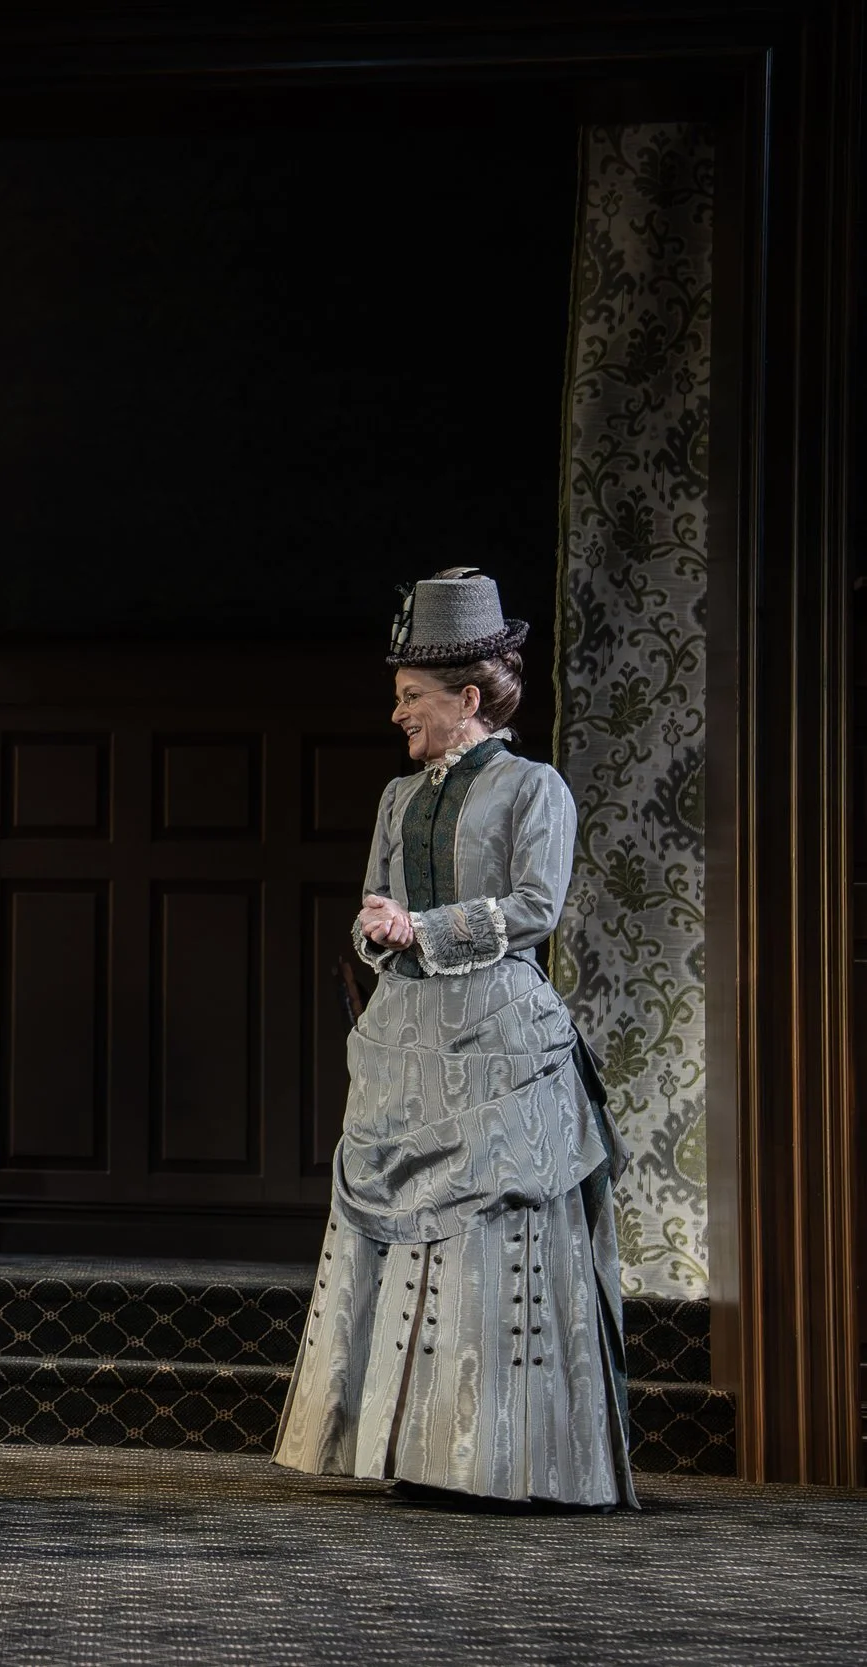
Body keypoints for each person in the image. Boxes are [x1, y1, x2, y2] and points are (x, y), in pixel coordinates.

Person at [272, 568, 634, 1510]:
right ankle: (409, 1447)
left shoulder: (533, 788)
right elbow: (375, 906)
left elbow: (535, 906)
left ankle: (496, 1456)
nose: (397, 713)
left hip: (497, 1034)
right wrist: (377, 927)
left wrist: (423, 927)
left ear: (467, 699)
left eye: (411, 696)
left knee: (486, 1232)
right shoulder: (399, 798)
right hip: (406, 1031)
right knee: (402, 1232)